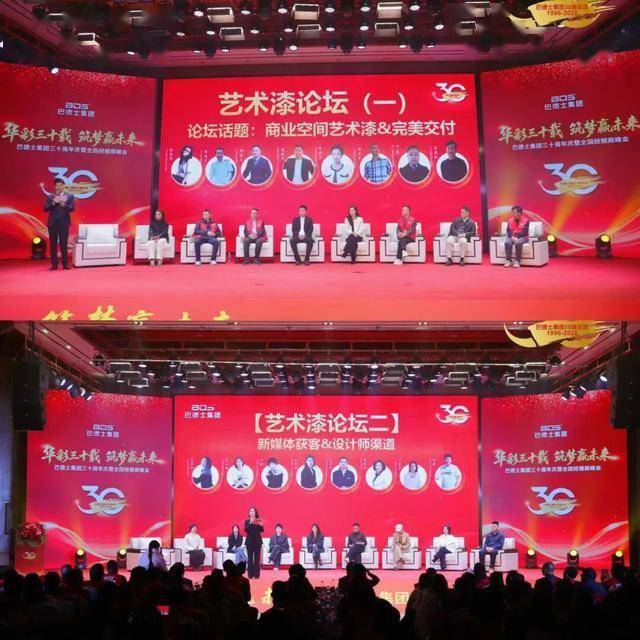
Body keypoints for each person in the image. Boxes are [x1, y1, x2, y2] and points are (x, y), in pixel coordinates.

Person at [44, 177, 75, 271]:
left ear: (64, 186)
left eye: (60, 185)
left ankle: (65, 264)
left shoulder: (69, 196)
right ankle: (54, 264)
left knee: (63, 243)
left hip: (64, 223)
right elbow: (45, 208)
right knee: (53, 244)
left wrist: (63, 205)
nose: (58, 187)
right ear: (54, 187)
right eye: (57, 185)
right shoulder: (51, 196)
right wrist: (53, 203)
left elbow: (72, 209)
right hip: (53, 223)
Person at [243, 506, 264, 579]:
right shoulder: (247, 521)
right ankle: (250, 574)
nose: (252, 512)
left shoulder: (258, 520)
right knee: (250, 559)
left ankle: (256, 575)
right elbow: (246, 530)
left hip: (257, 542)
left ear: (255, 513)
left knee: (256, 559)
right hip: (249, 542)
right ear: (249, 513)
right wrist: (250, 523)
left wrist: (261, 525)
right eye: (251, 511)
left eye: (253, 511)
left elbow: (261, 530)